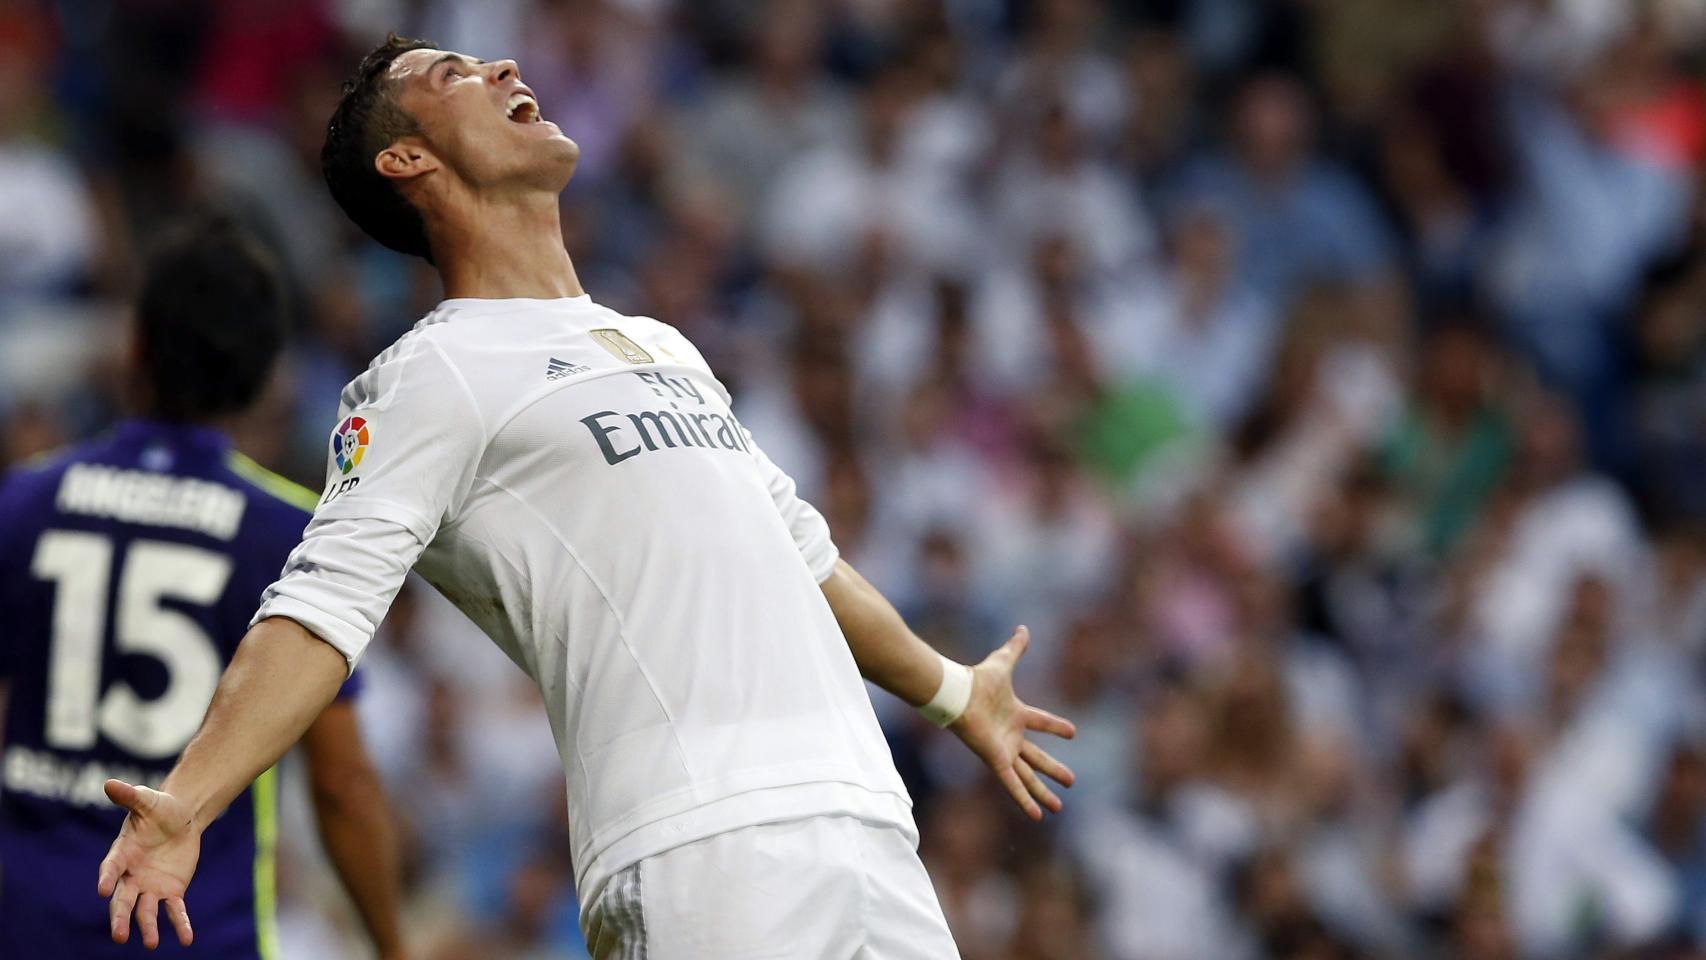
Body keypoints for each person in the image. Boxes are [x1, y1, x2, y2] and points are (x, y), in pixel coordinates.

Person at [96, 35, 1076, 958]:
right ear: (406, 163)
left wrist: (952, 692)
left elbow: (802, 558)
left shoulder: (661, 345)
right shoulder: (429, 377)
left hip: (865, 823)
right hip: (704, 849)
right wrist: (192, 797)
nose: (501, 66)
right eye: (453, 74)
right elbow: (318, 610)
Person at [0, 216, 406, 958]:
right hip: (192, 929)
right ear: (262, 376)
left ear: (134, 347)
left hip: (23, 919)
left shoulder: (23, 501)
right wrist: (392, 946)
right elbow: (343, 785)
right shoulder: (288, 534)